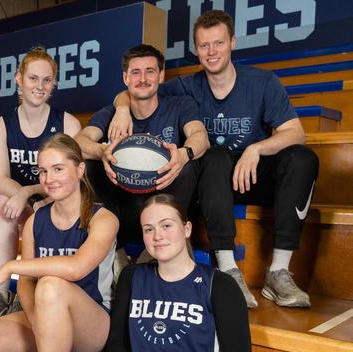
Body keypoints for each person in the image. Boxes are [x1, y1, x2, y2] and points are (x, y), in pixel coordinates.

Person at [109, 10, 319, 308]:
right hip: (210, 183)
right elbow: (137, 89)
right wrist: (120, 108)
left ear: (232, 42)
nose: (211, 52)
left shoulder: (262, 82)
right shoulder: (187, 87)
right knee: (216, 155)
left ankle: (279, 271)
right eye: (204, 45)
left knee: (302, 158)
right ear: (196, 49)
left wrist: (256, 148)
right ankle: (228, 266)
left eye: (218, 43)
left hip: (251, 174)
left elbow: (295, 133)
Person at [0, 134, 118, 352]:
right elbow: (26, 282)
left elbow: (76, 268)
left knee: (50, 285)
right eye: (43, 171)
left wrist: (10, 266)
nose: (49, 179)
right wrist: (34, 318)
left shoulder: (104, 219)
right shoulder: (35, 221)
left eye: (58, 169)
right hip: (43, 311)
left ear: (80, 169)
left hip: (92, 323)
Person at [0, 47, 81, 326]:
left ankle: (27, 289)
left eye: (47, 80)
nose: (40, 86)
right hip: (23, 199)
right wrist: (23, 194)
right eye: (33, 78)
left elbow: (72, 178)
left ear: (54, 82)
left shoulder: (68, 123)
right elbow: (0, 179)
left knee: (44, 209)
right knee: (2, 205)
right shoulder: (1, 126)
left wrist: (30, 193)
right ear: (19, 79)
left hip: (55, 199)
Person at [75, 44, 209, 249]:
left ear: (161, 76)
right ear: (125, 78)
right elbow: (78, 142)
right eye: (135, 72)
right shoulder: (110, 113)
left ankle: (161, 243)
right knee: (90, 165)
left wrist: (183, 154)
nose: (143, 79)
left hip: (164, 201)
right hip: (125, 207)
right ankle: (112, 245)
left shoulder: (180, 104)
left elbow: (200, 137)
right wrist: (102, 151)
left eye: (150, 71)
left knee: (187, 166)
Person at [105, 194, 251, 352]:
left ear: (187, 229)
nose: (157, 236)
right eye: (148, 229)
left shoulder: (220, 285)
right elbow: (116, 344)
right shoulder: (131, 276)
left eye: (166, 226)